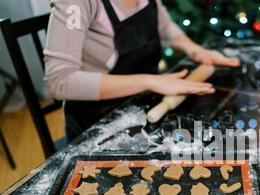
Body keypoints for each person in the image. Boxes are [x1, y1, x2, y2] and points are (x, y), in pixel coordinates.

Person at [44, 0, 240, 140]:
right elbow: (59, 82)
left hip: (142, 105)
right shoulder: (75, 3)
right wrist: (150, 81)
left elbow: (165, 26)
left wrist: (195, 51)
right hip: (97, 123)